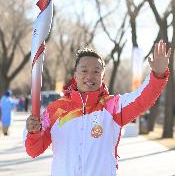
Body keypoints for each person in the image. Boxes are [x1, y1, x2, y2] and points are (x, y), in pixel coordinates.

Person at [25, 40, 171, 176]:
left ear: (103, 77)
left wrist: (157, 75)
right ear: (75, 75)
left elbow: (142, 98)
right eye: (84, 71)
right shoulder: (55, 110)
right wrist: (33, 132)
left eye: (96, 71)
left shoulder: (112, 107)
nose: (90, 76)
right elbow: (33, 150)